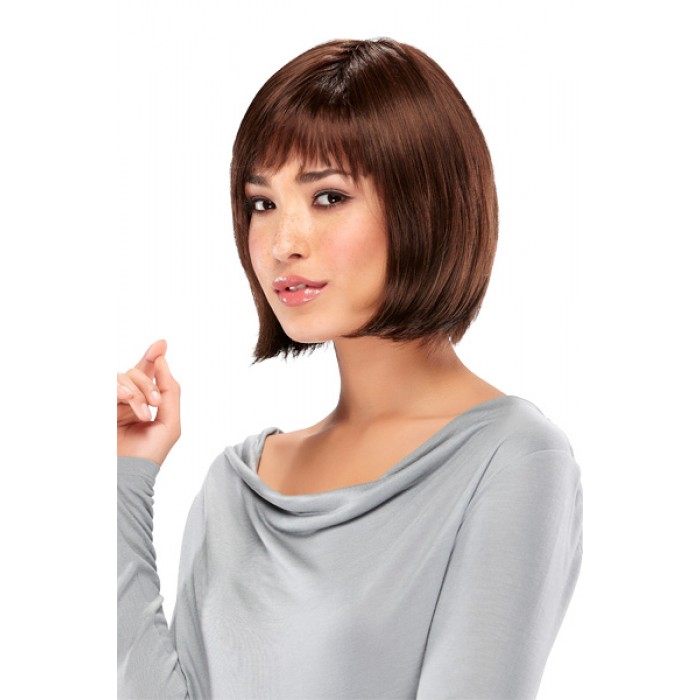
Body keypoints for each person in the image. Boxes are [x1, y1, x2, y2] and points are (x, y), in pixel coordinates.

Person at [117, 37, 583, 699]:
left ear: (425, 203)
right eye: (262, 203)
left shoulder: (512, 458)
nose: (283, 243)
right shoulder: (238, 484)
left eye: (329, 197)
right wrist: (125, 478)